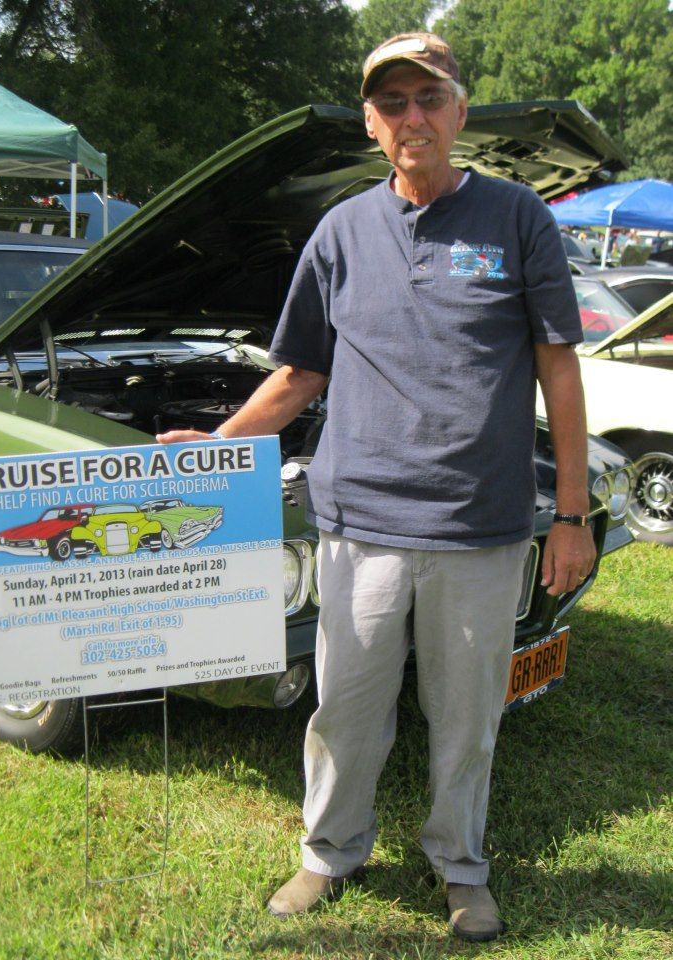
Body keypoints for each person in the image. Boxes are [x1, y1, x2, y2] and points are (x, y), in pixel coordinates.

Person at [157, 32, 596, 942]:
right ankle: (329, 852)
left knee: (465, 720)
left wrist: (571, 514)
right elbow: (298, 375)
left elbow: (559, 370)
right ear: (370, 121)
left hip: (478, 529)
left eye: (429, 98)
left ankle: (461, 866)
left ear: (460, 110)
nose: (412, 117)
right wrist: (218, 447)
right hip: (358, 526)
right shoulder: (341, 232)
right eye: (392, 103)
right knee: (346, 711)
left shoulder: (518, 219)